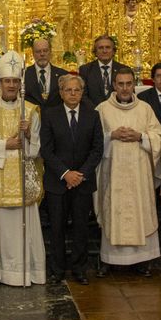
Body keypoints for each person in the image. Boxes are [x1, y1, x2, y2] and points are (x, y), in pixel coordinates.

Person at [0, 50, 45, 286]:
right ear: (0, 83)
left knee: (22, 230)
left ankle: (24, 272)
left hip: (23, 176)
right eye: (7, 81)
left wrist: (28, 136)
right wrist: (6, 144)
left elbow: (36, 149)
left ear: (20, 83)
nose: (11, 85)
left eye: (15, 81)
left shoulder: (31, 111)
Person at [95, 66, 161, 277]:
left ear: (134, 85)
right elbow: (93, 141)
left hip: (139, 174)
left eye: (129, 84)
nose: (125, 88)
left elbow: (159, 136)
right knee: (113, 210)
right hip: (112, 173)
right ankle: (110, 259)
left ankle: (143, 261)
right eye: (120, 84)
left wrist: (141, 136)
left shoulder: (145, 109)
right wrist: (111, 135)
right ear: (114, 85)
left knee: (139, 209)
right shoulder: (102, 109)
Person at [40, 74, 104, 285]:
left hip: (83, 182)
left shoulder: (93, 115)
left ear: (82, 92)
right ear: (61, 93)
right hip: (57, 182)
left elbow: (97, 150)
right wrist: (66, 173)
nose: (73, 94)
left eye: (77, 90)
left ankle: (79, 269)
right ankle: (57, 270)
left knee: (81, 228)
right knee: (56, 228)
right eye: (68, 90)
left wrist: (80, 175)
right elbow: (47, 150)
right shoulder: (49, 115)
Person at [77, 35, 129, 108]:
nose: (104, 51)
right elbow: (82, 95)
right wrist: (97, 111)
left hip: (119, 112)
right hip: (94, 113)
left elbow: (129, 93)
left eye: (108, 47)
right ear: (95, 52)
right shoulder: (85, 70)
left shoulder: (123, 69)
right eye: (101, 48)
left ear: (114, 51)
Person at [23, 38, 69, 111]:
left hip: (55, 119)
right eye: (38, 51)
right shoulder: (24, 74)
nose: (42, 54)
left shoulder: (63, 74)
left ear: (50, 52)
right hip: (32, 118)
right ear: (33, 53)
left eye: (45, 50)